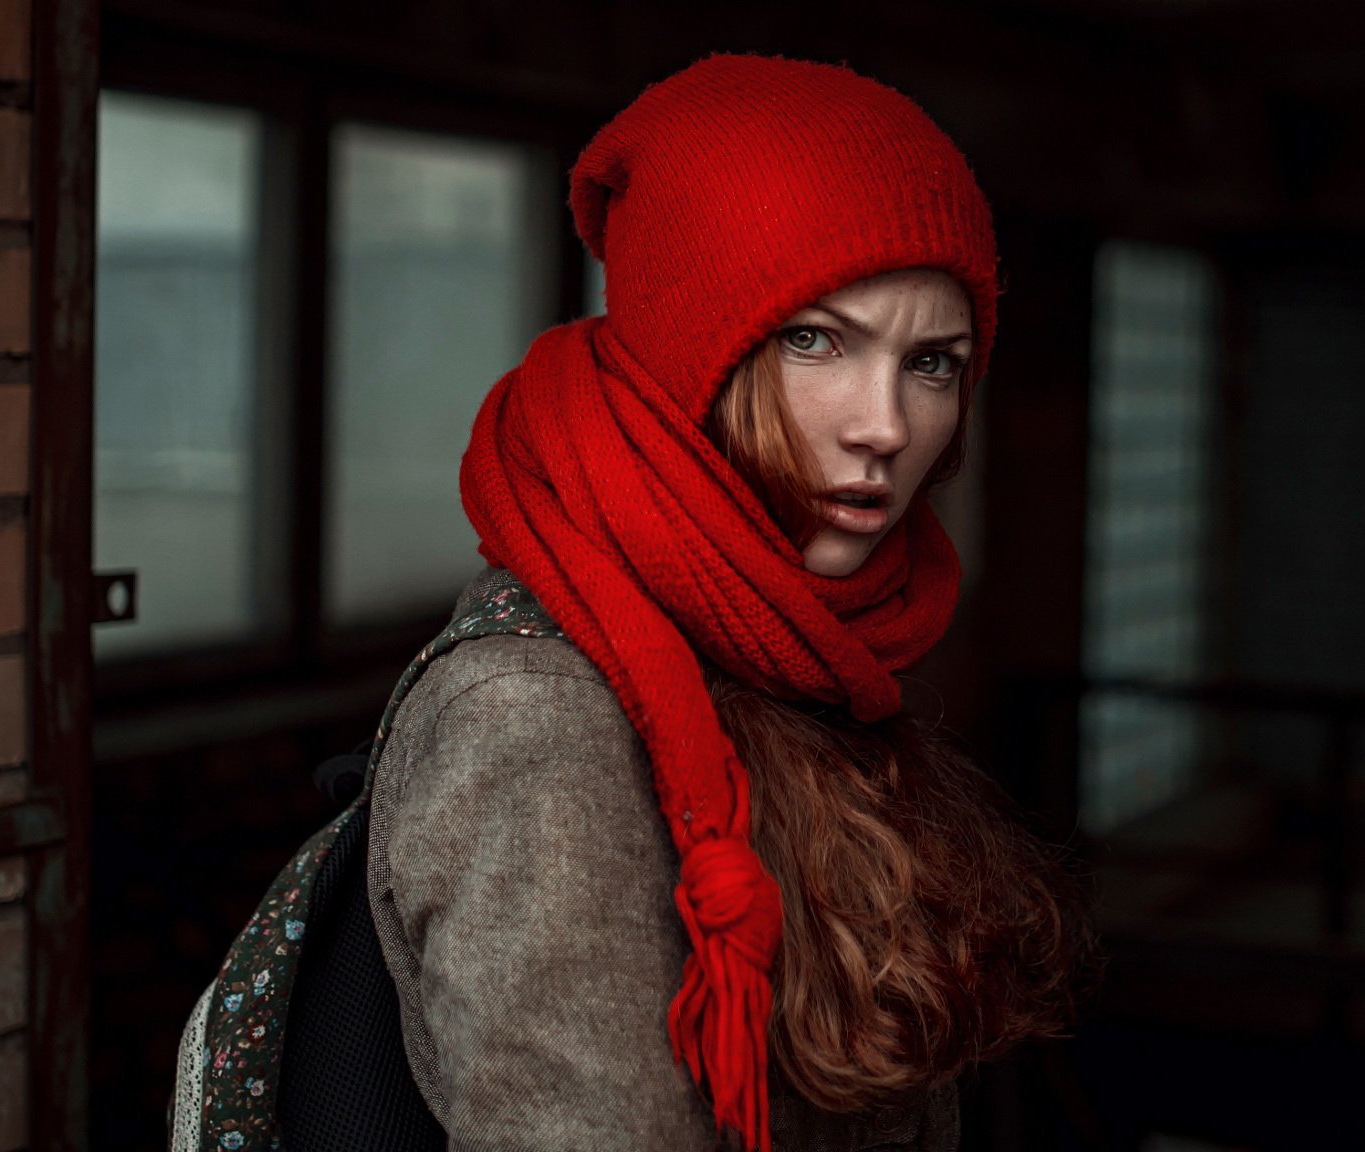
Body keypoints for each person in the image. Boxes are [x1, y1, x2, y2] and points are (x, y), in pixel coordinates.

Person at [360, 52, 1097, 1152]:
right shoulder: (538, 719)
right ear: (689, 355)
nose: (885, 426)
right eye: (814, 339)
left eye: (932, 363)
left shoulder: (804, 654)